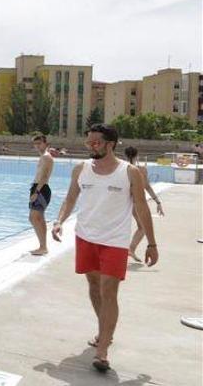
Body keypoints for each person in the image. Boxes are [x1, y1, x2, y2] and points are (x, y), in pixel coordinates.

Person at [51, 124, 158, 372]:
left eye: (96, 143)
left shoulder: (129, 172)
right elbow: (70, 198)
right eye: (88, 142)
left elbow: (142, 208)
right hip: (85, 237)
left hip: (115, 241)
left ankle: (102, 350)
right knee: (94, 287)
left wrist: (151, 243)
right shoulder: (81, 169)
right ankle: (104, 331)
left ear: (110, 144)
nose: (91, 146)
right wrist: (59, 220)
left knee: (109, 290)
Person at [123, 146, 165, 261]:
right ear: (137, 156)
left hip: (125, 203)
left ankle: (129, 250)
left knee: (138, 227)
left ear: (125, 156)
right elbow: (147, 187)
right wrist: (158, 202)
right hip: (137, 203)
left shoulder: (122, 169)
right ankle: (130, 249)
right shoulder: (141, 170)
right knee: (142, 227)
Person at [28, 134, 54, 256]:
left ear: (45, 143)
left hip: (41, 189)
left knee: (35, 218)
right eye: (35, 144)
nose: (37, 146)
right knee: (37, 218)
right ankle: (43, 246)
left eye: (39, 143)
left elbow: (44, 177)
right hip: (39, 188)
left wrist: (36, 192)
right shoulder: (44, 156)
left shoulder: (46, 157)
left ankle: (43, 246)